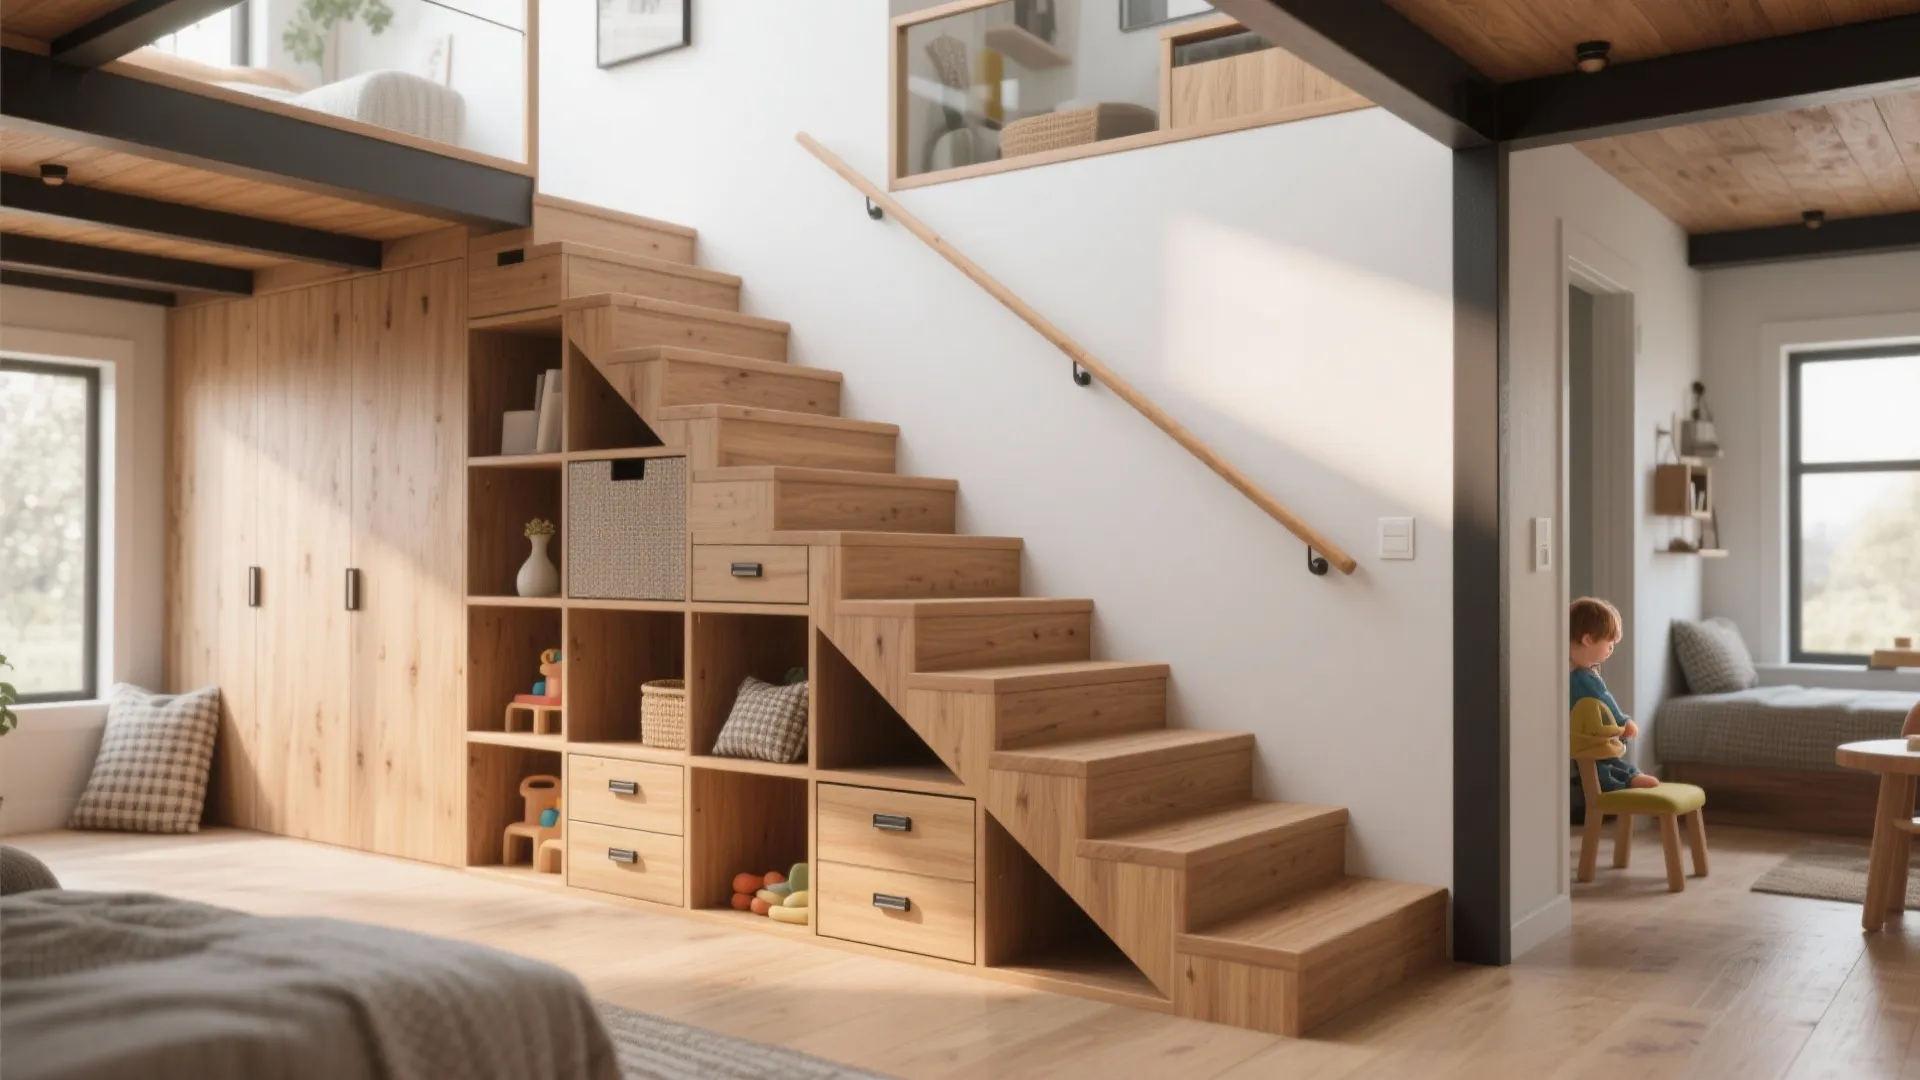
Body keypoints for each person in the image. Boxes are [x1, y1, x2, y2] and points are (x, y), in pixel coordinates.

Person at [1570, 597, 1658, 814]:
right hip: (1585, 736)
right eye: (1609, 644)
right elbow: (1605, 699)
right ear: (1589, 639)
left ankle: (1630, 776)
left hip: (1581, 733)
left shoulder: (1569, 668)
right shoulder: (1583, 677)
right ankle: (1628, 779)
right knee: (1603, 760)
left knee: (1603, 760)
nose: (1610, 650)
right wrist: (1624, 722)